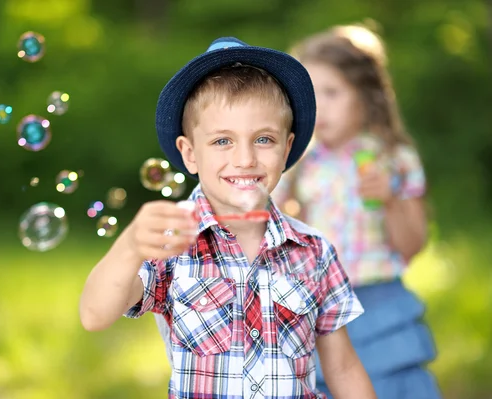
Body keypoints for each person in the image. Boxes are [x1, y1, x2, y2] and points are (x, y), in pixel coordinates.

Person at [79, 36, 376, 398]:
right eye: (223, 141)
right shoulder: (172, 244)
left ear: (286, 149)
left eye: (264, 139)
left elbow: (342, 366)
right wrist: (128, 247)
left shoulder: (314, 252)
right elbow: (94, 315)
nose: (245, 159)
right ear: (189, 154)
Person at [271, 25, 441, 399]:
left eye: (332, 93)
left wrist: (391, 200)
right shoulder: (299, 163)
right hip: (320, 312)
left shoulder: (392, 159)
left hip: (379, 306)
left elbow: (413, 244)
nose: (320, 107)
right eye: (311, 95)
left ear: (366, 96)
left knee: (385, 385)